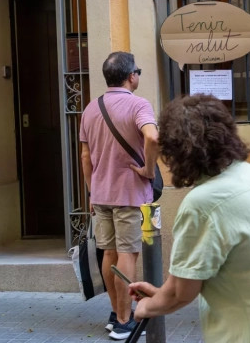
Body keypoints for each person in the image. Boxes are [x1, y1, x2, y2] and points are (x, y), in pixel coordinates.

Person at [128, 94, 250, 342]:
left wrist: (147, 308)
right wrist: (160, 294)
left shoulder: (204, 203)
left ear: (178, 152)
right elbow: (189, 282)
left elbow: (180, 295)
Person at [79, 51, 159, 340]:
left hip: (100, 195)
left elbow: (85, 156)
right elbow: (152, 137)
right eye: (137, 71)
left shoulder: (90, 109)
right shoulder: (139, 105)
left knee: (108, 253)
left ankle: (115, 314)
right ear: (131, 76)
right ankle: (125, 322)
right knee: (127, 254)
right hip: (129, 194)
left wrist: (91, 190)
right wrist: (148, 170)